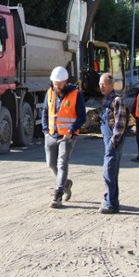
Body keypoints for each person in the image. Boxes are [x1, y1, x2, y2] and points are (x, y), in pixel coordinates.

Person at [42, 65, 86, 208]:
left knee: (62, 163)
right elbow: (44, 112)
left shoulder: (76, 94)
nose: (57, 86)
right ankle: (66, 184)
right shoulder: (49, 93)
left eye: (60, 84)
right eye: (55, 84)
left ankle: (58, 195)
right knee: (51, 164)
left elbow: (82, 117)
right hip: (51, 135)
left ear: (66, 82)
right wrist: (45, 131)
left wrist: (72, 130)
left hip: (67, 136)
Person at [98, 73, 128, 214]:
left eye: (103, 84)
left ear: (111, 85)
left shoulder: (117, 101)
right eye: (100, 84)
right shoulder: (106, 100)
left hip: (114, 140)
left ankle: (110, 203)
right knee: (111, 171)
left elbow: (120, 124)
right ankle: (111, 201)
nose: (101, 87)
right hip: (108, 140)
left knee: (109, 171)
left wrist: (113, 142)